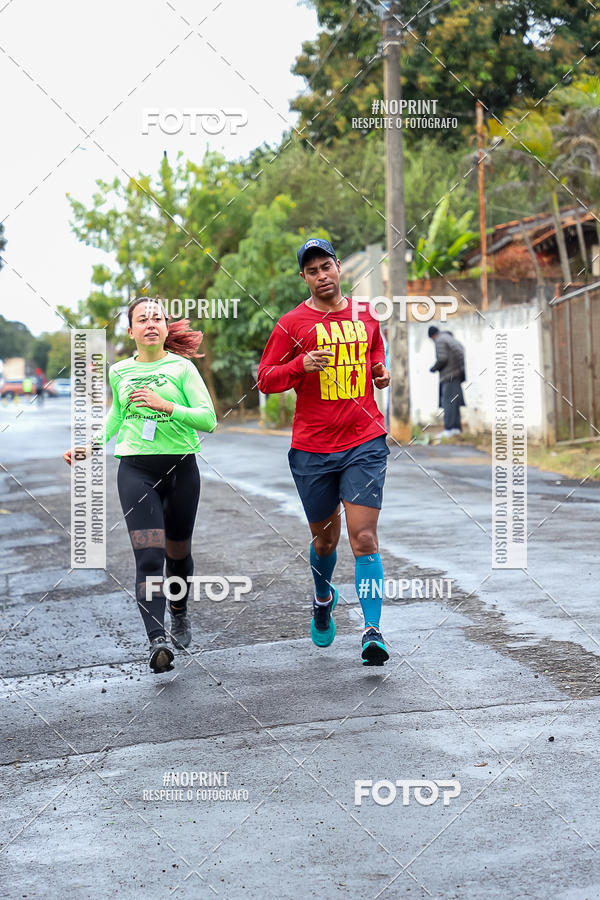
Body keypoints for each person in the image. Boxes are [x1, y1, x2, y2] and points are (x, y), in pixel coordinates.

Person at [257, 237, 391, 666]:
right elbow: (265, 379)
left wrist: (380, 373)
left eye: (326, 266)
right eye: (312, 270)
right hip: (313, 449)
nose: (322, 275)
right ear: (305, 278)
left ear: (339, 268)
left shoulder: (366, 314)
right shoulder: (290, 324)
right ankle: (322, 596)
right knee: (325, 540)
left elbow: (375, 357)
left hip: (364, 440)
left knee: (364, 538)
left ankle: (372, 631)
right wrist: (300, 366)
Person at [64, 299, 217, 674]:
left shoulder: (182, 368)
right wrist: (92, 446)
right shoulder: (119, 372)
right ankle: (157, 640)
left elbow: (208, 419)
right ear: (131, 332)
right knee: (149, 556)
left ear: (166, 328)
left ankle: (178, 610)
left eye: (157, 318)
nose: (151, 324)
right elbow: (118, 414)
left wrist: (166, 406)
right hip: (135, 470)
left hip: (182, 468)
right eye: (142, 319)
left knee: (177, 554)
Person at [428, 325, 466, 438]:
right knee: (454, 403)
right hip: (457, 375)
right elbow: (461, 351)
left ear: (432, 336)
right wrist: (459, 370)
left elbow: (442, 358)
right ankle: (456, 429)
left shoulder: (439, 340)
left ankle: (448, 429)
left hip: (448, 376)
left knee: (448, 403)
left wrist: (434, 368)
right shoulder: (449, 338)